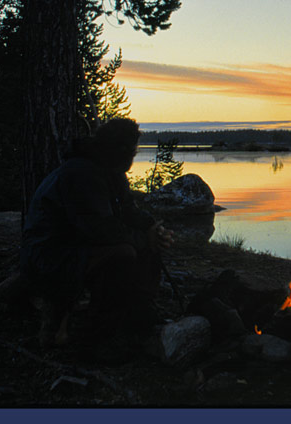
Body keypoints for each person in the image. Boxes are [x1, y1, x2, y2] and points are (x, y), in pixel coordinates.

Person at [20, 118, 175, 355]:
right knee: (122, 254)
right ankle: (99, 336)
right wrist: (145, 239)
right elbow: (101, 230)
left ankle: (138, 316)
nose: (133, 157)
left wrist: (152, 227)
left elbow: (127, 210)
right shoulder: (81, 173)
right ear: (121, 150)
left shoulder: (108, 169)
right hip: (49, 256)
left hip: (74, 247)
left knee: (142, 247)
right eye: (133, 151)